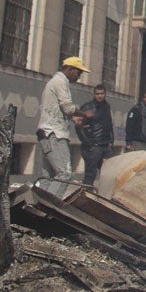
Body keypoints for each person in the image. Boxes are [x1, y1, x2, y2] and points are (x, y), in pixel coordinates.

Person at [37, 57, 94, 193]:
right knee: (65, 174)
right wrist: (84, 114)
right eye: (78, 73)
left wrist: (73, 119)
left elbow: (60, 109)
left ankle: (40, 202)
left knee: (49, 177)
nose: (79, 77)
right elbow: (68, 107)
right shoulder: (60, 82)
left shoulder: (55, 82)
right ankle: (51, 205)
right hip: (54, 134)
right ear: (70, 69)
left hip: (46, 133)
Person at [76, 84, 114, 187]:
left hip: (106, 145)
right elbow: (79, 127)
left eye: (102, 94)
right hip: (93, 146)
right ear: (94, 94)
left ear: (105, 94)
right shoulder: (87, 107)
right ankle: (86, 195)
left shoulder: (107, 106)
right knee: (90, 175)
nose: (100, 96)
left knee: (109, 174)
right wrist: (89, 144)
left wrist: (111, 141)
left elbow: (109, 124)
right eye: (97, 94)